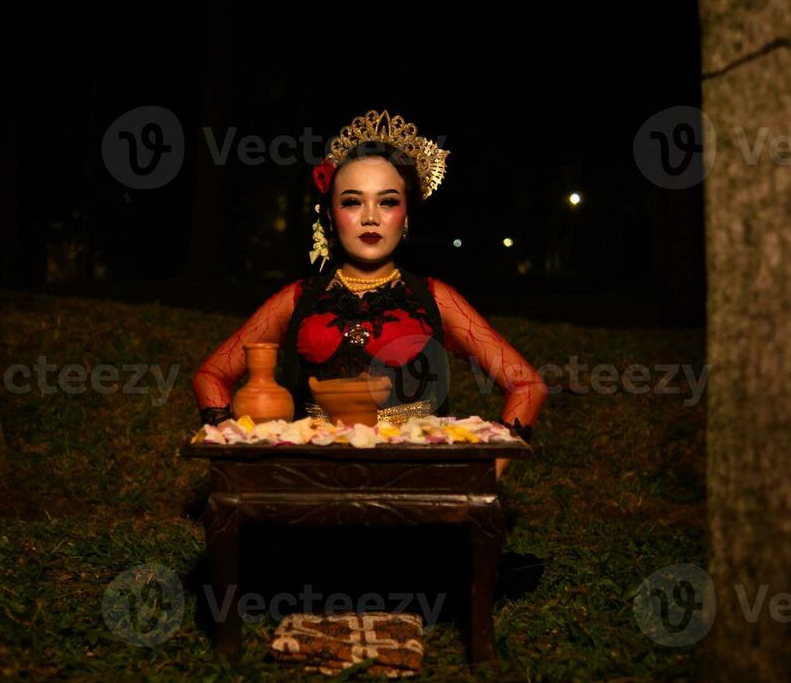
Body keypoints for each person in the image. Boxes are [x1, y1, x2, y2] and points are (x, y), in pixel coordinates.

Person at [191, 109, 545, 480]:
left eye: (388, 201)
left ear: (406, 215)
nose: (371, 217)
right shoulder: (298, 299)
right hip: (313, 480)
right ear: (330, 214)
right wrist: (236, 457)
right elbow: (211, 375)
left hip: (415, 481)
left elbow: (527, 385)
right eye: (352, 201)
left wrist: (482, 476)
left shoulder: (435, 298)